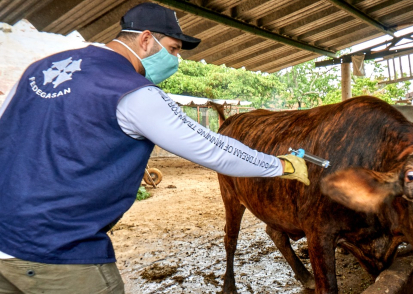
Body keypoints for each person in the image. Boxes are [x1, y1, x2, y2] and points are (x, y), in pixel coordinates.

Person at [0, 3, 309, 293]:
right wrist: (281, 165)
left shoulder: (38, 69)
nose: (176, 60)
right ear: (146, 40)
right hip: (58, 254)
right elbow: (212, 148)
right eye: (173, 49)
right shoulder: (133, 91)